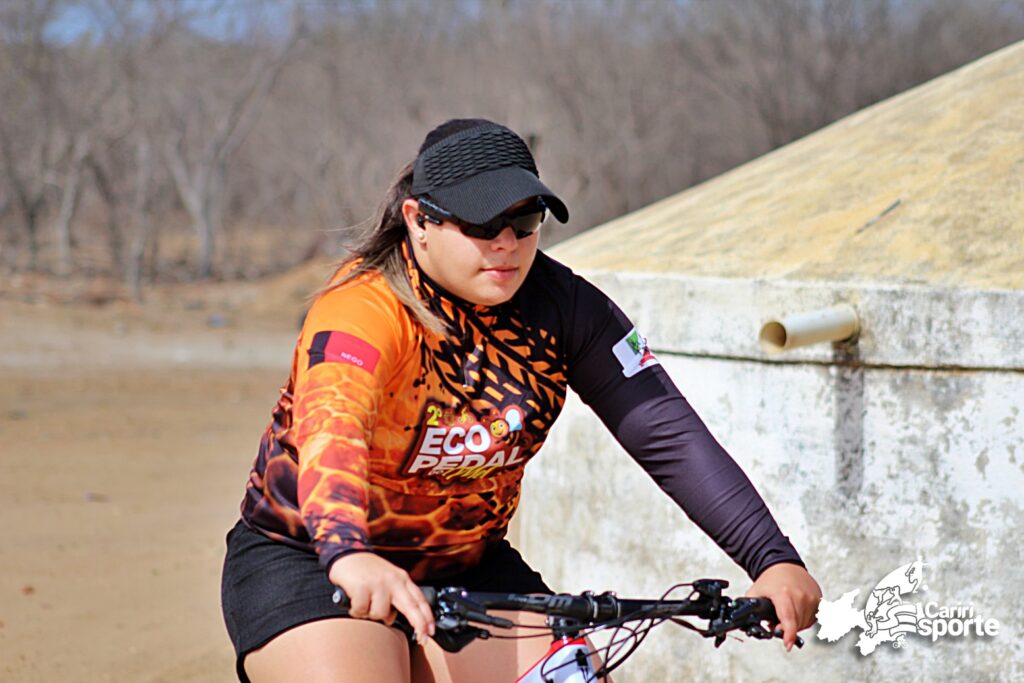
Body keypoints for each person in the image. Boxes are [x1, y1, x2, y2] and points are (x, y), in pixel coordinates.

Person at [220, 118, 821, 683]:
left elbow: (666, 431)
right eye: (481, 225)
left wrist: (772, 559)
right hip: (311, 557)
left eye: (525, 220)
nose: (506, 243)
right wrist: (348, 552)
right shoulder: (363, 307)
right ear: (418, 220)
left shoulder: (567, 308)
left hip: (466, 568)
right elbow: (333, 430)